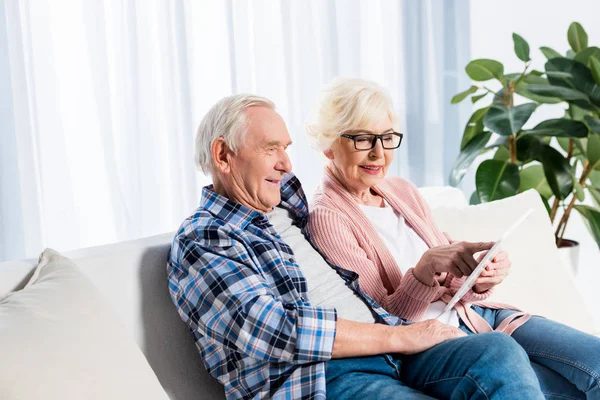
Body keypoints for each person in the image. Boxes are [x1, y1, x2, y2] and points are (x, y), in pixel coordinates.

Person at [167, 93, 546, 399]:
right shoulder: (206, 237)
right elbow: (273, 330)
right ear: (222, 156)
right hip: (323, 376)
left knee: (498, 351)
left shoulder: (287, 206)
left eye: (285, 148)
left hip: (391, 349)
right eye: (270, 149)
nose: (286, 163)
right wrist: (399, 335)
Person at [306, 77, 600, 399]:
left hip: (478, 318)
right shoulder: (328, 218)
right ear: (329, 144)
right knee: (510, 358)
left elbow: (448, 276)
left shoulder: (401, 191)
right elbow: (382, 323)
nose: (379, 153)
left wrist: (477, 278)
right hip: (423, 346)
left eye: (387, 138)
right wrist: (423, 271)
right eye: (363, 139)